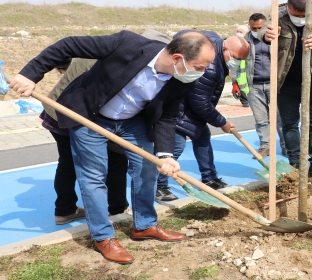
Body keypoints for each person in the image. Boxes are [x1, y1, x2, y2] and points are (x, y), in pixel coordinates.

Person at [10, 30, 216, 264]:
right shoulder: (127, 44)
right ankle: (103, 236)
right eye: (200, 66)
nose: (202, 72)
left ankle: (145, 225)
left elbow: (167, 116)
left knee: (147, 166)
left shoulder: (182, 80)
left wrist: (166, 154)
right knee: (94, 176)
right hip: (90, 115)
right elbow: (68, 44)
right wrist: (31, 74)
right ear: (178, 58)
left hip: (132, 121)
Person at [156, 33, 250, 201]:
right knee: (173, 148)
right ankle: (159, 186)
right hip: (179, 112)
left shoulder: (218, 55)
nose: (235, 62)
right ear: (226, 48)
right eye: (235, 58)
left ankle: (209, 178)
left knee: (203, 137)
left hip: (190, 111)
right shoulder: (211, 66)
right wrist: (222, 122)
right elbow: (199, 101)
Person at [259, 0, 312, 178]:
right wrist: (268, 34)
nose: (300, 19)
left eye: (304, 16)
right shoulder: (278, 16)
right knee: (289, 124)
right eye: (296, 15)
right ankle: (295, 164)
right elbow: (264, 30)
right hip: (287, 84)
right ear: (288, 8)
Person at [41, 59, 128, 225]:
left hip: (56, 108)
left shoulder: (94, 50)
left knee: (67, 162)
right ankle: (117, 210)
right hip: (74, 114)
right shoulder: (113, 63)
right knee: (117, 159)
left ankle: (65, 210)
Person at [231, 13, 286, 158]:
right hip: (253, 86)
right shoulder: (244, 41)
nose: (256, 31)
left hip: (275, 85)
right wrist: (234, 83)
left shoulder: (276, 39)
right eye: (253, 28)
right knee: (261, 119)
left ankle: (286, 146)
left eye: (259, 28)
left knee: (280, 118)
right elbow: (235, 64)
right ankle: (265, 146)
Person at [232, 25, 251, 107]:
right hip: (239, 72)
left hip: (250, 72)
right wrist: (234, 83)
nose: (238, 33)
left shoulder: (250, 42)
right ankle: (245, 102)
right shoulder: (233, 43)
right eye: (237, 31)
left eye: (241, 32)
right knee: (240, 85)